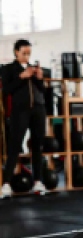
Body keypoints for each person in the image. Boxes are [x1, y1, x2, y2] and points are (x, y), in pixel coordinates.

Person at [1, 40, 47, 198]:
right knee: (15, 146)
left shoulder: (33, 68)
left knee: (37, 146)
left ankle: (38, 181)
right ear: (16, 52)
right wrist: (21, 77)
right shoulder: (8, 69)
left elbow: (42, 90)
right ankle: (6, 184)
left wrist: (40, 78)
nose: (27, 57)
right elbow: (6, 89)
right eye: (24, 53)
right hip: (20, 111)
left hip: (38, 110)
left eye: (29, 54)